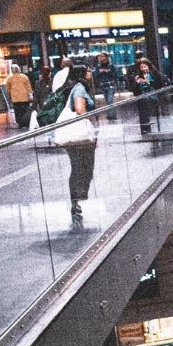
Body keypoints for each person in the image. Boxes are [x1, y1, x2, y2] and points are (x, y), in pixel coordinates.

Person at [62, 66, 98, 227]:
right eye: (88, 71)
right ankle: (76, 201)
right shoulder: (79, 89)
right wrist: (88, 117)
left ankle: (77, 199)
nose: (91, 73)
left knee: (81, 168)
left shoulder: (79, 87)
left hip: (80, 137)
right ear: (82, 74)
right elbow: (79, 109)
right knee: (81, 168)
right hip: (79, 137)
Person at [6, 63, 34, 129]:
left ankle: (20, 124)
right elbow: (28, 87)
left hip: (15, 98)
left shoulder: (9, 78)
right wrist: (30, 94)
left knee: (17, 111)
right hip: (24, 97)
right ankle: (27, 123)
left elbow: (8, 89)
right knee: (25, 111)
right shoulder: (24, 77)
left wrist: (9, 96)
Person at [94, 53, 117, 121]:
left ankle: (112, 116)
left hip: (110, 85)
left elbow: (115, 75)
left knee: (110, 100)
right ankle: (111, 114)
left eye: (102, 56)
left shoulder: (111, 66)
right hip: (103, 85)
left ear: (106, 57)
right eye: (99, 56)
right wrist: (100, 72)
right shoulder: (98, 66)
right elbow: (95, 75)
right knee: (108, 101)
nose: (100, 58)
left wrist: (107, 71)